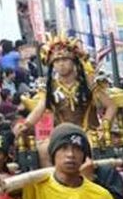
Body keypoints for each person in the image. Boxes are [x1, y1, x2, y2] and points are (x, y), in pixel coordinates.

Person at [15, 34, 117, 163]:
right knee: (43, 150)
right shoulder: (49, 86)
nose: (61, 64)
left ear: (74, 61)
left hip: (88, 132)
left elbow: (111, 106)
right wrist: (26, 124)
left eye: (65, 60)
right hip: (61, 134)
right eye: (57, 61)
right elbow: (39, 108)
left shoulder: (89, 81)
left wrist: (104, 128)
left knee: (89, 147)